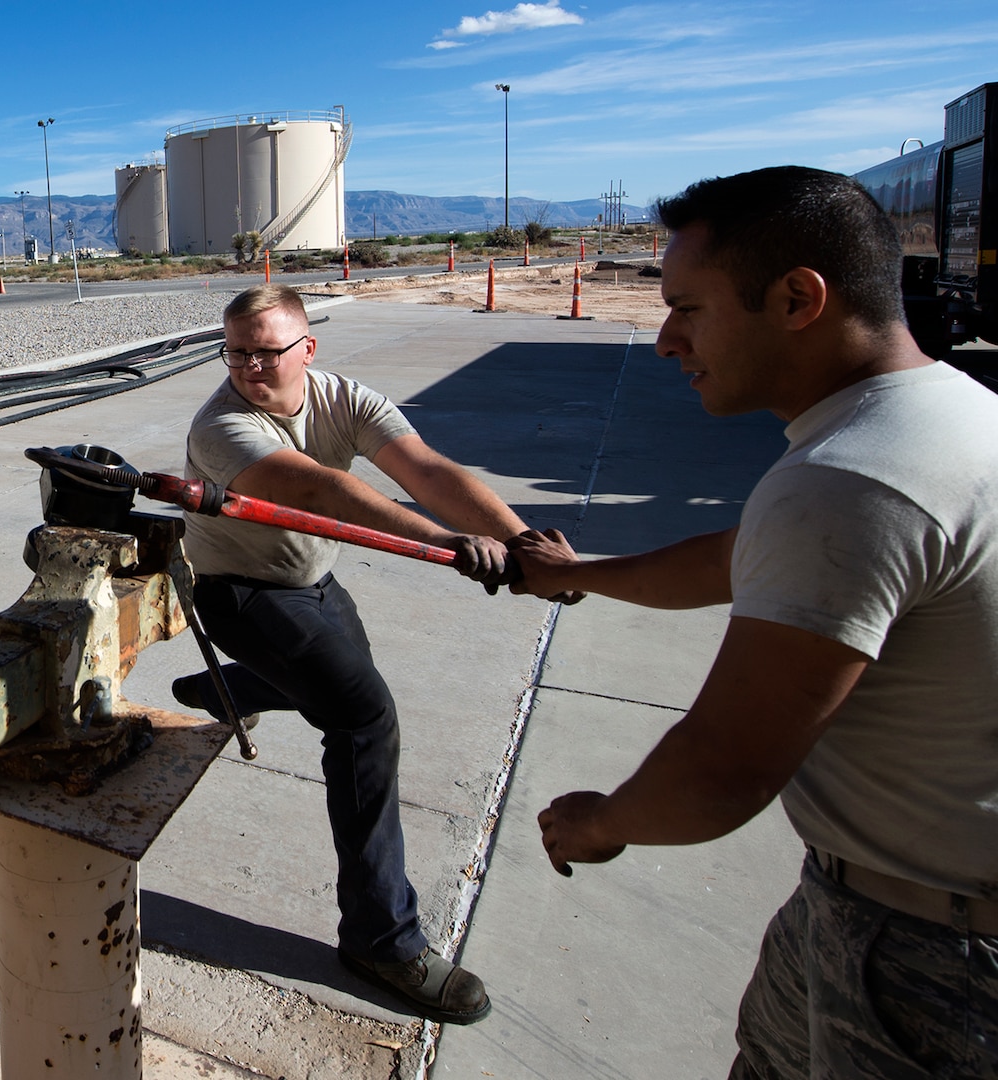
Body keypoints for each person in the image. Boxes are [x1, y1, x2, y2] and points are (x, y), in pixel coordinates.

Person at [510, 166, 998, 1077]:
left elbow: (723, 771)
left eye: (688, 308)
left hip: (931, 952)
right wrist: (579, 575)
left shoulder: (850, 482)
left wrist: (601, 823)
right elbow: (741, 561)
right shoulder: (941, 417)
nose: (665, 341)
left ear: (797, 299)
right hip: (872, 904)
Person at [172, 283, 579, 1025]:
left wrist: (524, 544)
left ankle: (229, 692)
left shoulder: (343, 397)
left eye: (268, 351)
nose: (251, 367)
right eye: (236, 352)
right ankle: (380, 939)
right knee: (363, 720)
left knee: (335, 687)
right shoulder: (222, 427)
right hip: (241, 592)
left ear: (308, 348)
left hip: (314, 580)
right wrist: (446, 545)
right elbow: (322, 491)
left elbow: (425, 469)